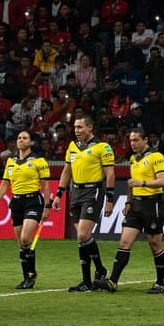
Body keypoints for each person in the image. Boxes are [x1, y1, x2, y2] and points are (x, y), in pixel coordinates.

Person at [96, 127, 164, 293]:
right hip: (136, 205)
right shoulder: (133, 159)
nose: (133, 143)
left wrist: (142, 183)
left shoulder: (156, 156)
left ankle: (160, 284)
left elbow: (163, 181)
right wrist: (128, 202)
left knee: (155, 244)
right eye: (131, 141)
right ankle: (113, 281)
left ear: (145, 140)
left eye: (136, 140)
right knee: (124, 242)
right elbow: (131, 183)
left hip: (153, 204)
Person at [53, 114, 115, 292]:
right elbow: (67, 171)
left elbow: (110, 174)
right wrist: (59, 194)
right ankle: (87, 281)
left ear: (90, 127)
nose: (76, 130)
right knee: (82, 239)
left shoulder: (102, 147)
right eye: (75, 127)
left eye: (80, 127)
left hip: (92, 191)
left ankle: (100, 269)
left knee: (82, 234)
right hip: (76, 193)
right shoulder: (72, 147)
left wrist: (110, 200)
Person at [0, 130, 53, 289]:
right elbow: (5, 183)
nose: (21, 140)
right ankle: (27, 277)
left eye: (25, 138)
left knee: (25, 238)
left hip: (33, 201)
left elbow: (45, 185)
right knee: (21, 244)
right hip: (16, 203)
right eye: (19, 138)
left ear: (31, 142)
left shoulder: (39, 161)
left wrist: (47, 207)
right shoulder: (11, 161)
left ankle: (31, 274)